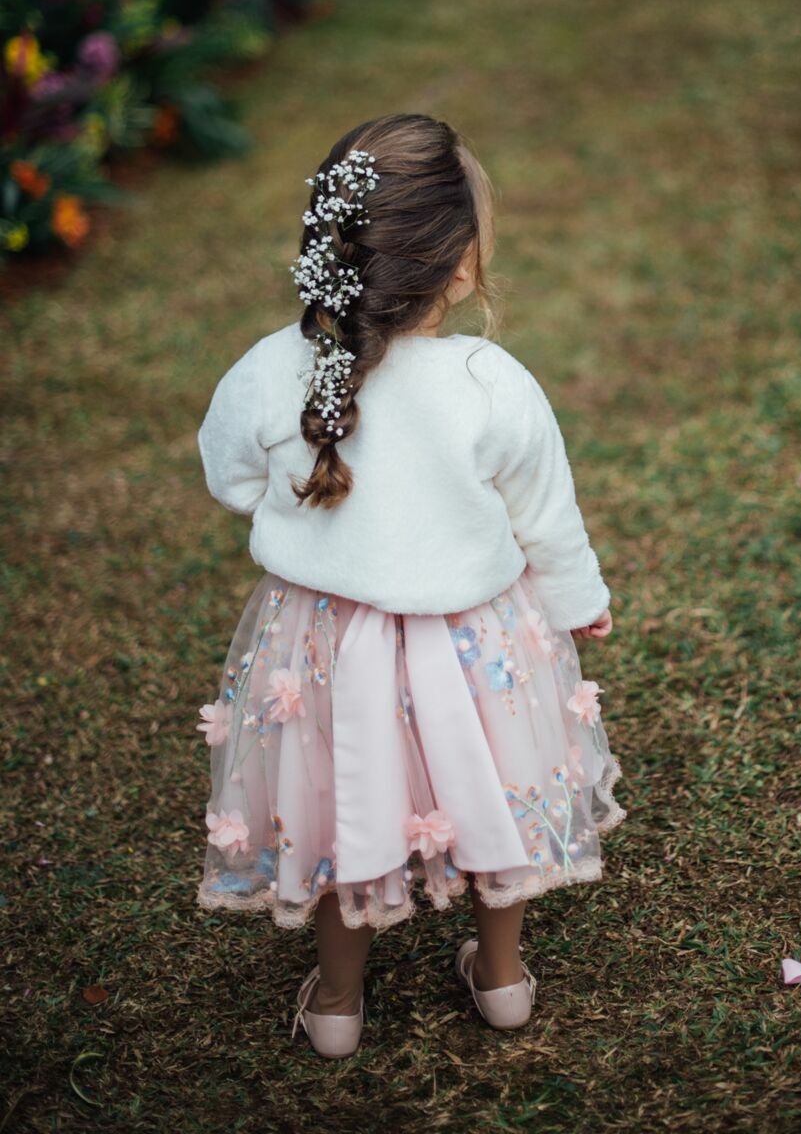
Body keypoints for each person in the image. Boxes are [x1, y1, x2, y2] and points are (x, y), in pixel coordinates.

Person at [194, 111, 625, 1058]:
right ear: (462, 268)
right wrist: (577, 602)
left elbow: (227, 479)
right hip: (476, 641)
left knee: (345, 810)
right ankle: (502, 980)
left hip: (318, 646)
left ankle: (339, 1004)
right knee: (491, 803)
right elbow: (547, 517)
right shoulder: (490, 380)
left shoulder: (272, 370)